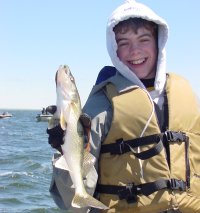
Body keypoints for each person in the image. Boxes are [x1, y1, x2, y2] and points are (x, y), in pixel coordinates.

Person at [47, 0, 200, 212]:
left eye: (143, 39)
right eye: (124, 42)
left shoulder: (187, 95)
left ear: (159, 42)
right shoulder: (102, 104)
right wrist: (62, 151)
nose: (134, 51)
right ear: (114, 49)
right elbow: (72, 203)